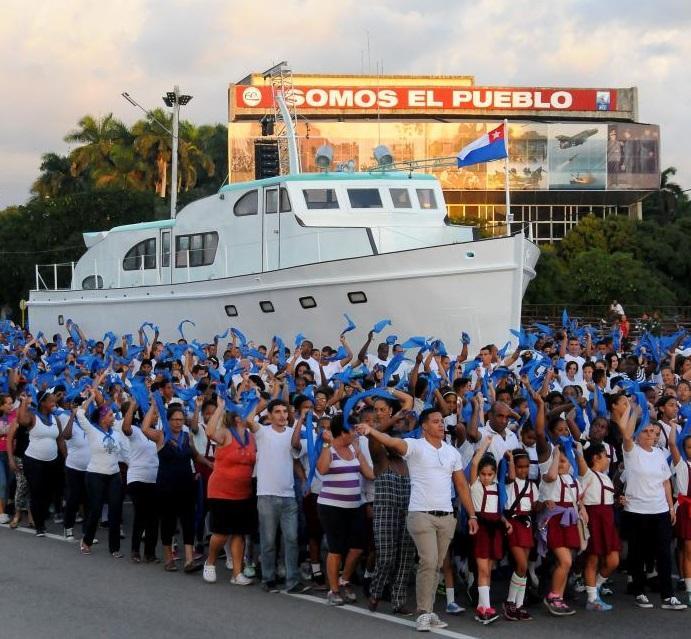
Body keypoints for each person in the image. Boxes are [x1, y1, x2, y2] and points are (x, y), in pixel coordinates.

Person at [357, 408, 479, 633]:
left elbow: (461, 485)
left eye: (442, 421)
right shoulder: (415, 446)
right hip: (420, 515)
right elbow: (391, 441)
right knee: (429, 562)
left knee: (436, 567)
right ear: (424, 426)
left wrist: (471, 514)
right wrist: (371, 431)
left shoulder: (452, 452)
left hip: (446, 516)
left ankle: (429, 611)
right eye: (435, 421)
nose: (441, 425)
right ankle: (423, 612)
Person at [615, 399, 686, 610]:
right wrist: (632, 409)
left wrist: (671, 507)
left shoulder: (659, 454)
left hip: (660, 510)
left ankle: (668, 596)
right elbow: (625, 433)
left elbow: (665, 482)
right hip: (636, 510)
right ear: (638, 435)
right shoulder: (631, 452)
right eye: (646, 432)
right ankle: (638, 590)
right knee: (638, 552)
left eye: (653, 432)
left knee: (663, 552)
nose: (651, 436)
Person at [246, 398, 311, 594]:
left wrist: (304, 481)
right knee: (268, 541)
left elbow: (296, 461)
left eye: (285, 412)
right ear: (270, 415)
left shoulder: (293, 434)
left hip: (289, 496)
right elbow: (248, 419)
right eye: (278, 412)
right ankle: (268, 578)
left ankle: (292, 581)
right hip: (266, 495)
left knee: (291, 539)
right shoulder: (262, 433)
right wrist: (263, 401)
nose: (282, 415)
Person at [142, 402, 211, 572]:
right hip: (166, 486)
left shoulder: (187, 437)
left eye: (181, 419)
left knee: (188, 521)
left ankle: (189, 560)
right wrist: (153, 407)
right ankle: (168, 559)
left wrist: (210, 464)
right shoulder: (161, 436)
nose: (178, 423)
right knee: (168, 522)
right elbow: (144, 429)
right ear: (168, 420)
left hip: (186, 484)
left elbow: (195, 455)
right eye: (175, 419)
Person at [316, 414, 374, 605]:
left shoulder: (354, 448)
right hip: (331, 507)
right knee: (336, 549)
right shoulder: (330, 449)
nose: (356, 433)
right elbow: (322, 469)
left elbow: (369, 474)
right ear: (342, 432)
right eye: (352, 430)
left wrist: (361, 454)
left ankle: (345, 580)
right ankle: (333, 591)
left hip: (354, 505)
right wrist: (326, 445)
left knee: (357, 548)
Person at [203, 400, 257, 586]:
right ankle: (210, 562)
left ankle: (237, 573)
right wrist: (220, 407)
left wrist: (258, 398)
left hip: (243, 491)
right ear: (236, 418)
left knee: (239, 533)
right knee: (221, 533)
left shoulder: (252, 437)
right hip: (220, 491)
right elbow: (209, 432)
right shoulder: (226, 433)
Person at [537, 443, 585, 616]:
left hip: (570, 522)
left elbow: (579, 501)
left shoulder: (574, 481)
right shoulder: (550, 477)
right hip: (556, 522)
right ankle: (553, 596)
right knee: (566, 562)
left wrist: (583, 511)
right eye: (559, 462)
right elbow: (551, 474)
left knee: (564, 563)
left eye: (565, 462)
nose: (561, 465)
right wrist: (556, 455)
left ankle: (559, 598)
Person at [76, 391, 124, 557]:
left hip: (114, 475)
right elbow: (80, 413)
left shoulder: (115, 431)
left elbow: (123, 450)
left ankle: (114, 548)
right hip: (95, 474)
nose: (113, 417)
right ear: (102, 418)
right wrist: (91, 397)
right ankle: (87, 540)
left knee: (116, 511)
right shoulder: (91, 430)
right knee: (95, 510)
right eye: (110, 415)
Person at [469, 436, 510, 624]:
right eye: (483, 474)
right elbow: (476, 461)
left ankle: (482, 605)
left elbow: (496, 511)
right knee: (483, 569)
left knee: (489, 570)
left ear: (494, 474)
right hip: (482, 530)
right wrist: (485, 444)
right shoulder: (475, 485)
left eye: (490, 474)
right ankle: (484, 609)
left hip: (495, 530)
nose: (486, 477)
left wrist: (505, 522)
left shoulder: (496, 487)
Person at [578, 443, 620, 611]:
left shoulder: (606, 477)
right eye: (605, 455)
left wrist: (618, 501)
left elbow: (607, 499)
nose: (608, 459)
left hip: (608, 519)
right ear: (596, 458)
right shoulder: (587, 474)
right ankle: (592, 599)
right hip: (594, 517)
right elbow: (581, 460)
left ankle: (595, 587)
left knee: (613, 560)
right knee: (592, 559)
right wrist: (577, 448)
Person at [17, 391, 62, 537]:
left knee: (48, 492)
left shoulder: (55, 418)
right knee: (37, 492)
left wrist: (66, 458)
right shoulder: (32, 416)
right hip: (34, 461)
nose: (53, 404)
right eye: (51, 401)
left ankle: (41, 518)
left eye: (54, 401)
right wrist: (24, 402)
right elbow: (22, 421)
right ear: (42, 403)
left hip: (52, 461)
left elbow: (60, 439)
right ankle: (39, 525)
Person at [121, 400, 160, 563]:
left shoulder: (158, 435)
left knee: (154, 518)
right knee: (141, 514)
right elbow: (125, 428)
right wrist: (132, 406)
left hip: (154, 479)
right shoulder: (136, 431)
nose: (156, 418)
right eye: (154, 415)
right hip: (137, 478)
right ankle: (135, 550)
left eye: (157, 415)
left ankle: (150, 553)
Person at [503, 448, 536, 621]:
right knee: (522, 564)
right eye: (519, 467)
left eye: (526, 466)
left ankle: (519, 605)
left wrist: (546, 503)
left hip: (527, 525)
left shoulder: (532, 485)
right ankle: (509, 602)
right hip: (514, 524)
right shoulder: (510, 483)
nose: (523, 470)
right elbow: (510, 475)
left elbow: (534, 505)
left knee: (522, 569)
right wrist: (509, 459)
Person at [60, 405, 90, 541]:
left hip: (89, 469)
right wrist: (72, 416)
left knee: (88, 501)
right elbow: (65, 435)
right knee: (73, 499)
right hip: (73, 468)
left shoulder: (88, 425)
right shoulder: (71, 423)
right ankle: (68, 528)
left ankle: (86, 532)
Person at [669, 433, 691, 605]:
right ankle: (690, 591)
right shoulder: (682, 465)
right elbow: (671, 443)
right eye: (689, 447)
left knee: (686, 549)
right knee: (688, 549)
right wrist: (675, 425)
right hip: (686, 509)